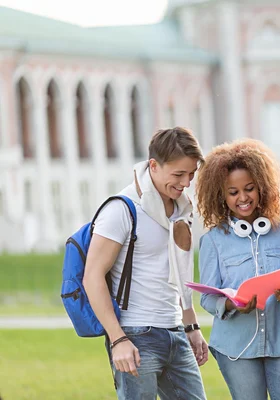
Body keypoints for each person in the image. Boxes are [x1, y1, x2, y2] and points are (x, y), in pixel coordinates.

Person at [83, 127, 208, 400]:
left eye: (191, 174)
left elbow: (177, 274)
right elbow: (92, 277)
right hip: (135, 335)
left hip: (175, 332)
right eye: (178, 174)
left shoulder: (181, 210)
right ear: (153, 165)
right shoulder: (122, 208)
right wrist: (118, 339)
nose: (186, 183)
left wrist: (191, 326)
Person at [195, 139, 280, 400]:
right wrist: (231, 305)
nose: (243, 198)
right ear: (222, 195)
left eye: (249, 189)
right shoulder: (212, 241)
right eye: (233, 192)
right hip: (235, 348)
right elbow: (207, 297)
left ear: (261, 187)